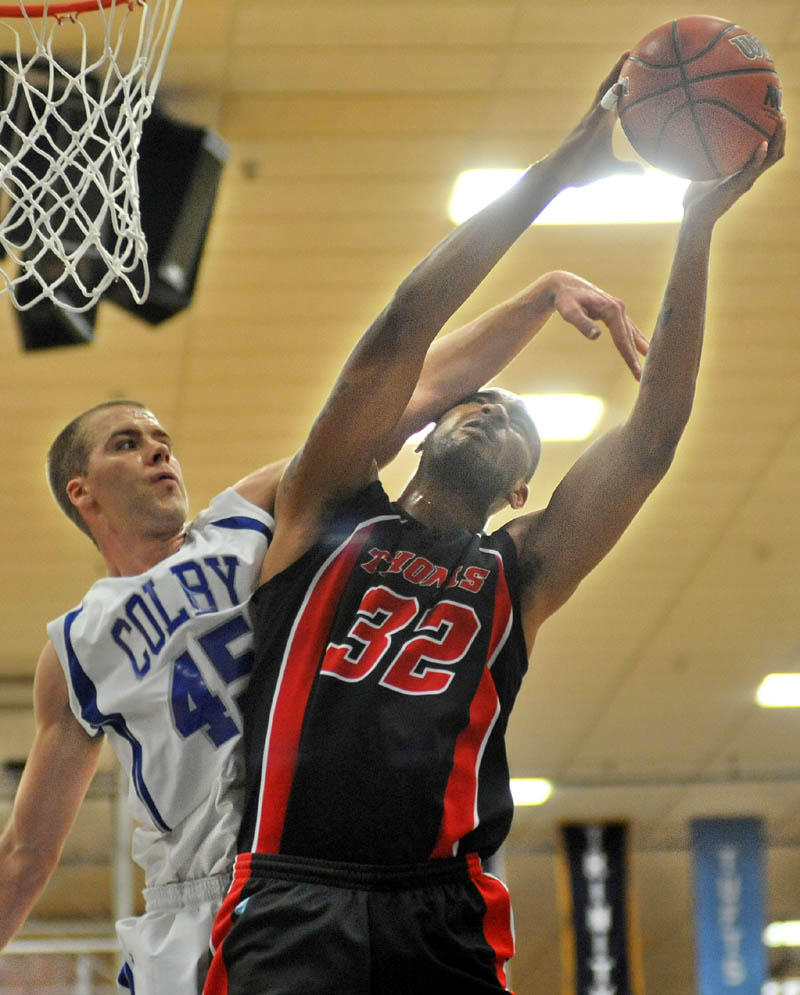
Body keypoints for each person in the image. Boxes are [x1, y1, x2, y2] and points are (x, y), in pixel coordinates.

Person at [203, 61, 786, 995]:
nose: (495, 414)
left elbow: (650, 442)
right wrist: (562, 166)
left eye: (519, 423)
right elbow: (401, 328)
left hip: (445, 908)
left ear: (521, 489)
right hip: (288, 892)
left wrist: (696, 225)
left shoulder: (520, 570)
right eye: (478, 404)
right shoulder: (321, 507)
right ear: (427, 431)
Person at [0, 174, 646, 995]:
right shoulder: (75, 648)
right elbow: (27, 853)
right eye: (128, 442)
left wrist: (536, 299)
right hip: (190, 899)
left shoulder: (252, 512)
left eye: (163, 437)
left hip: (303, 862)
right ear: (80, 492)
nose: (160, 450)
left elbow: (414, 391)